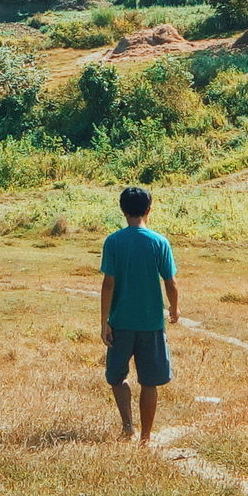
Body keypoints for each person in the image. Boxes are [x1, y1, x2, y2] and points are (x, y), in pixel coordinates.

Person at [100, 185, 179, 444]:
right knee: (150, 381)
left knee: (116, 377)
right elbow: (170, 282)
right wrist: (174, 309)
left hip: (121, 322)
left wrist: (104, 323)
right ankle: (146, 436)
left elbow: (108, 284)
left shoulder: (113, 241)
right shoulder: (159, 242)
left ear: (123, 211)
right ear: (149, 210)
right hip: (151, 324)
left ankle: (127, 427)